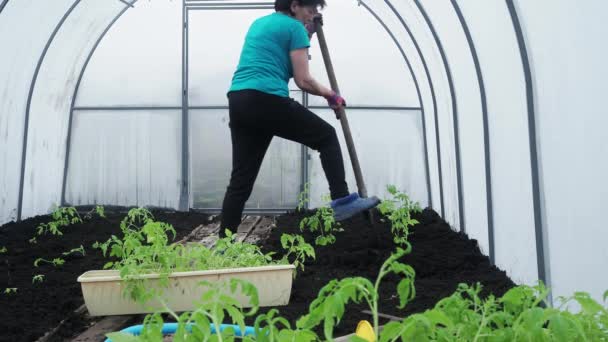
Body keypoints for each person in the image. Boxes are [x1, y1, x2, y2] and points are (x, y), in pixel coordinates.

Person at [220, 0, 380, 232]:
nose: (313, 14)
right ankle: (342, 201)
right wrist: (331, 95)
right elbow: (302, 79)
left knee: (241, 181)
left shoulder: (260, 24)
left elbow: (285, 57)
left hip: (239, 99)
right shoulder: (294, 28)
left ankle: (225, 244)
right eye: (310, 9)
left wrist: (309, 36)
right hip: (267, 98)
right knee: (326, 137)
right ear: (294, 5)